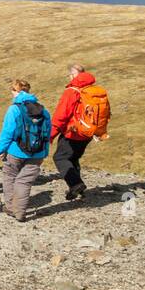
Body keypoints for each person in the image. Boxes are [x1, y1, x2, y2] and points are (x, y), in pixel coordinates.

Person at [0, 78, 51, 222]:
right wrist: (44, 152)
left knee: (10, 177)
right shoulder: (43, 111)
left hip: (15, 151)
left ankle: (11, 207)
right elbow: (47, 132)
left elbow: (7, 131)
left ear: (16, 91)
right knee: (24, 181)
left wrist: (0, 149)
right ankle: (20, 213)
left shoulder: (14, 109)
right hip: (37, 153)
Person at [50, 64, 97, 201]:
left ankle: (76, 185)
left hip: (73, 132)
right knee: (73, 157)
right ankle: (77, 189)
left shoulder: (72, 91)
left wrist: (51, 135)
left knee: (60, 157)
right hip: (88, 132)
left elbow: (61, 115)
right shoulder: (93, 89)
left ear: (72, 75)